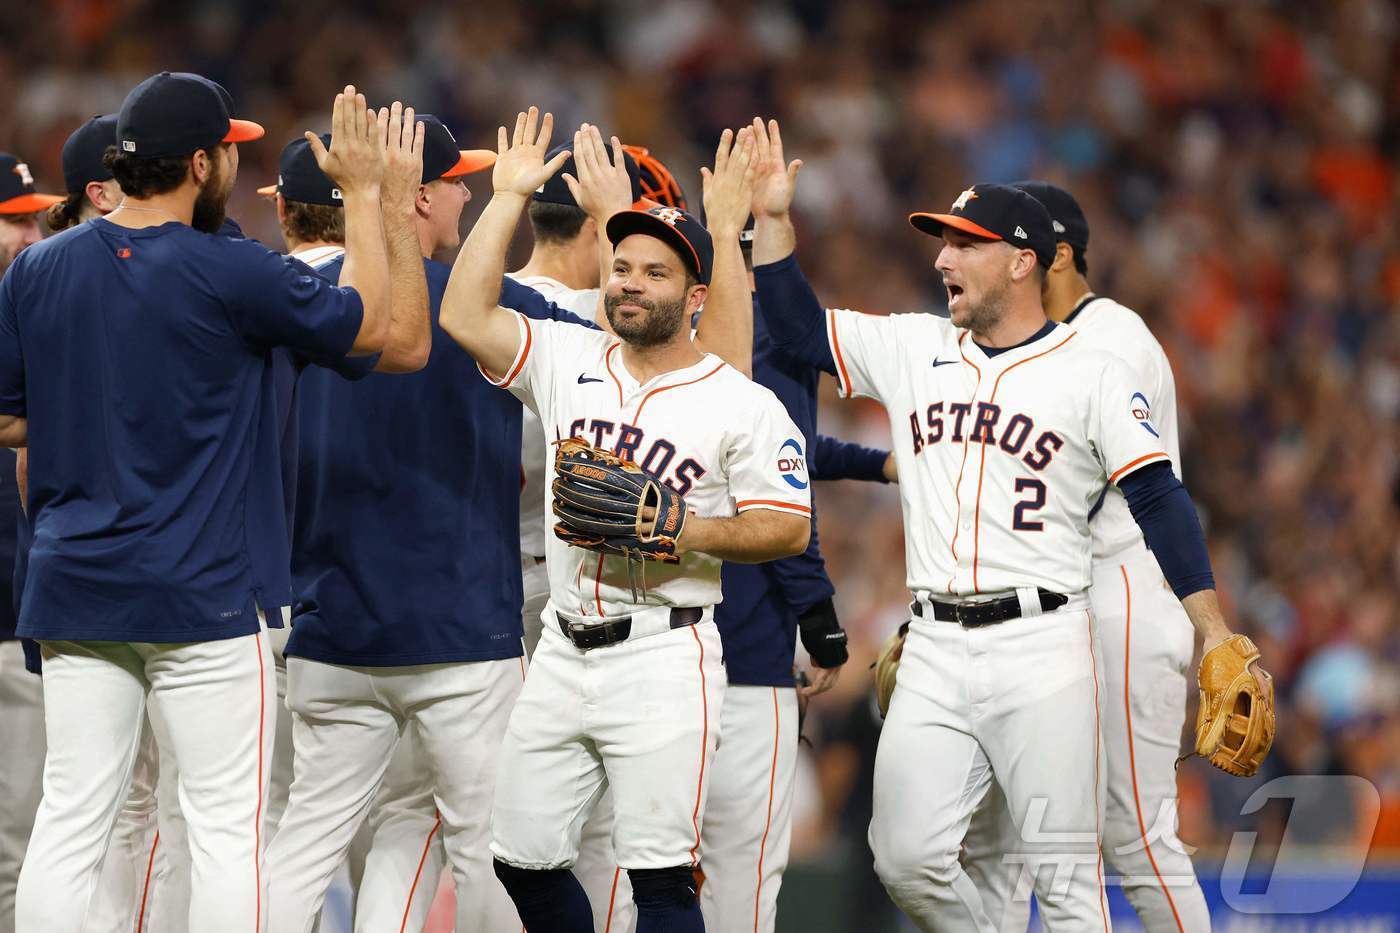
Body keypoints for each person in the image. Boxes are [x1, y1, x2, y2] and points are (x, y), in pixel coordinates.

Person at [746, 116, 1265, 930]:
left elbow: (1159, 496)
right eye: (941, 241)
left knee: (1068, 885)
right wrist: (774, 222)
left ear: (1023, 260)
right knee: (904, 859)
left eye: (965, 243)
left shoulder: (1095, 365)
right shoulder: (916, 346)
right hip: (937, 645)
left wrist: (1212, 627)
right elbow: (800, 329)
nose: (942, 258)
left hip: (1046, 644)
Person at [0, 74, 405, 932]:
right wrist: (366, 193)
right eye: (228, 149)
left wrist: (91, 409)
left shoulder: (36, 268)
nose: (232, 161)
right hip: (205, 594)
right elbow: (368, 329)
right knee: (226, 830)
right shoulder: (233, 268)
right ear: (198, 162)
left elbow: (9, 418)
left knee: (71, 819)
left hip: (75, 583)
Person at [440, 107, 811, 933]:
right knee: (522, 860)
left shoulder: (735, 401)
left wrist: (685, 528)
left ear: (695, 295)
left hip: (664, 652)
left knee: (660, 880)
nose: (631, 283)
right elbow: (464, 317)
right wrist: (504, 198)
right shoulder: (569, 355)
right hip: (564, 647)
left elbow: (785, 525)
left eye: (655, 272)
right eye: (622, 265)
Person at [263, 111, 580, 933]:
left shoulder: (284, 302)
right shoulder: (476, 302)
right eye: (453, 183)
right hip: (461, 635)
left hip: (329, 623)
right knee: (489, 842)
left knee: (304, 841)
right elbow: (643, 357)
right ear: (416, 197)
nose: (467, 193)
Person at [957, 181, 1209, 932]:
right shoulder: (1022, 349)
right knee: (1003, 838)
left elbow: (1085, 492)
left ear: (1056, 253)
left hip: (1123, 593)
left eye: (1012, 245)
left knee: (1134, 836)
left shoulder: (1111, 338)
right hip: (1053, 604)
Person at [0, 149, 61, 933]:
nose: (28, 235)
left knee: (19, 834)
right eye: (10, 221)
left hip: (12, 622)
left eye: (31, 220)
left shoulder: (41, 317)